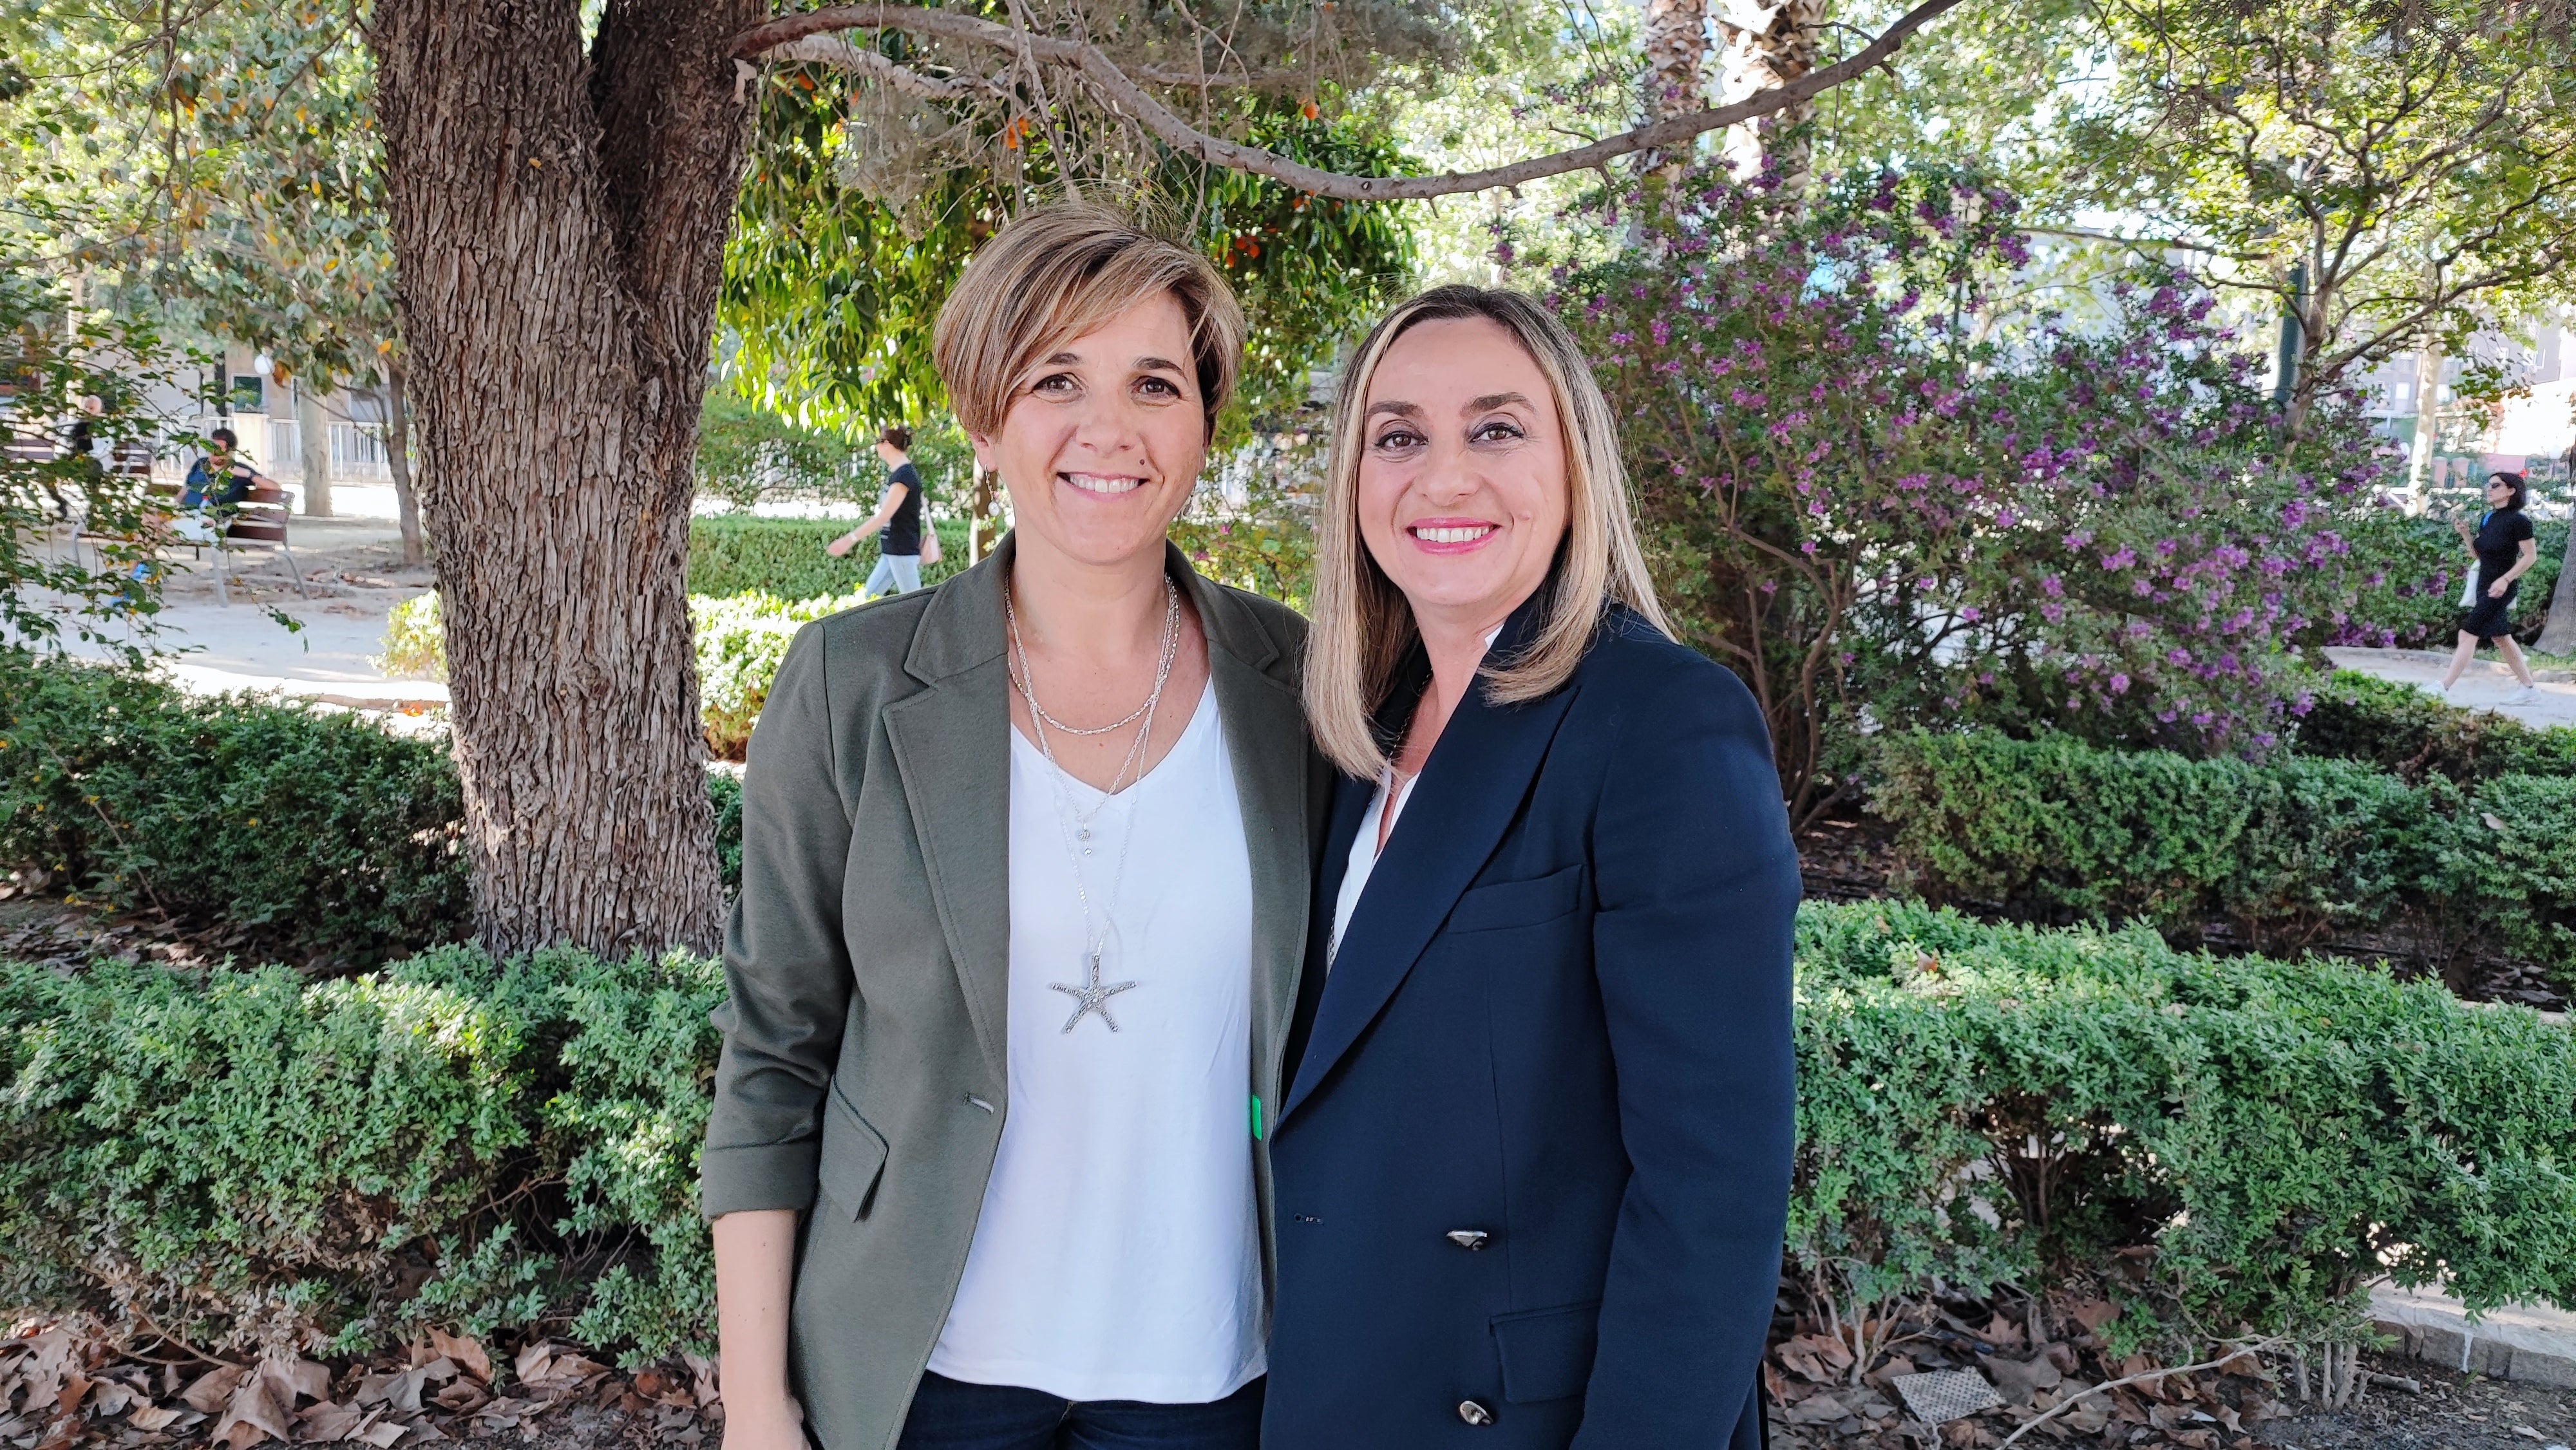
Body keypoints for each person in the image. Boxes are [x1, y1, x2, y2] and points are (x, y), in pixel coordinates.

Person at [704, 202, 1329, 1450]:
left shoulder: (1301, 686)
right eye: (1056, 378)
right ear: (985, 424)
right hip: (925, 1367)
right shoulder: (850, 682)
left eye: (1154, 382)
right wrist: (754, 1402)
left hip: (1208, 1371)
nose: (1109, 427)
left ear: (1201, 424)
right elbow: (775, 1048)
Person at [1264, 286, 1800, 1450]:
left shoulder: (1664, 723)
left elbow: (1714, 1192)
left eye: (1495, 429)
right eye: (1399, 435)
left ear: (1574, 464)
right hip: (1341, 1378)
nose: (1444, 476)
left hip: (1526, 1414)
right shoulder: (1360, 728)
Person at [2438, 470, 2541, 705]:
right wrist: (2465, 534)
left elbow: (2530, 556)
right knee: (2501, 638)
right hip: (2485, 585)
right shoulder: (2489, 518)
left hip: (2501, 588)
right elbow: (2479, 554)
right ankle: (2529, 689)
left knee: (2467, 633)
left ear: (2511, 490)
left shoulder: (2519, 521)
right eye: (2489, 486)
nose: (2489, 489)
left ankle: (2443, 687)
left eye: (2495, 485)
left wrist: (2505, 580)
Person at [827, 426, 940, 598]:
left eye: (878, 442)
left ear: (887, 444)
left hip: (902, 552)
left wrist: (848, 540)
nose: (876, 447)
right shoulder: (898, 474)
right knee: (868, 598)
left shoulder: (904, 476)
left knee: (914, 607)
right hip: (892, 551)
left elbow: (884, 516)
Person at [182, 427, 274, 512]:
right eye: (211, 447)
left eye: (219, 449)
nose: (214, 452)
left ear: (230, 451)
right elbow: (185, 490)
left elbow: (274, 487)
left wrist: (247, 474)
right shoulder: (200, 464)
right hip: (187, 516)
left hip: (215, 521)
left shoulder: (238, 469)